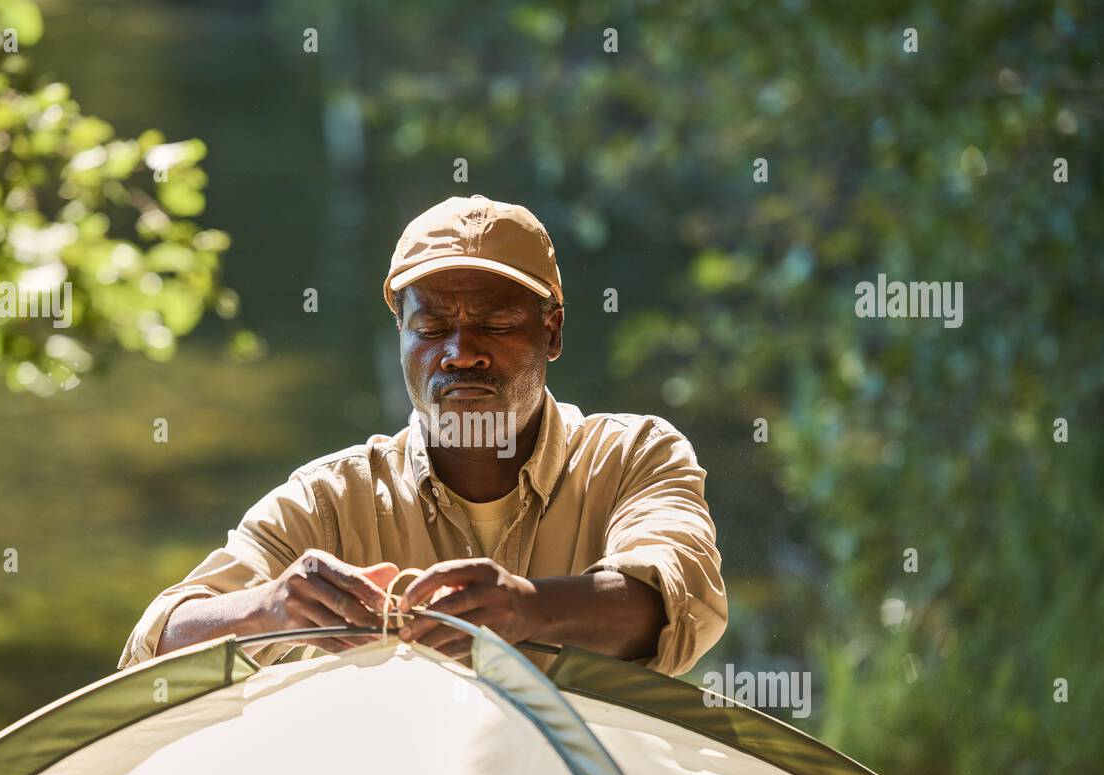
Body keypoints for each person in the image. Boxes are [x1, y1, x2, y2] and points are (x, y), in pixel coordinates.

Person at [119, 195, 727, 677]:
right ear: (402, 340)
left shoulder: (632, 457)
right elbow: (152, 650)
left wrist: (528, 610)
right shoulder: (332, 501)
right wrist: (267, 608)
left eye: (496, 323)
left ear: (554, 333)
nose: (462, 355)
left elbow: (681, 600)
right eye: (432, 327)